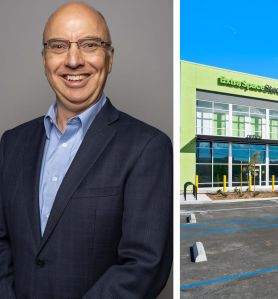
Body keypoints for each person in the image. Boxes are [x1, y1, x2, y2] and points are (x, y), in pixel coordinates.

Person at [0, 2, 172, 299]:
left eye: (89, 44)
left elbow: (144, 265)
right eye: (58, 46)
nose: (74, 60)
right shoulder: (12, 143)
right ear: (44, 59)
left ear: (110, 57)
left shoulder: (147, 147)